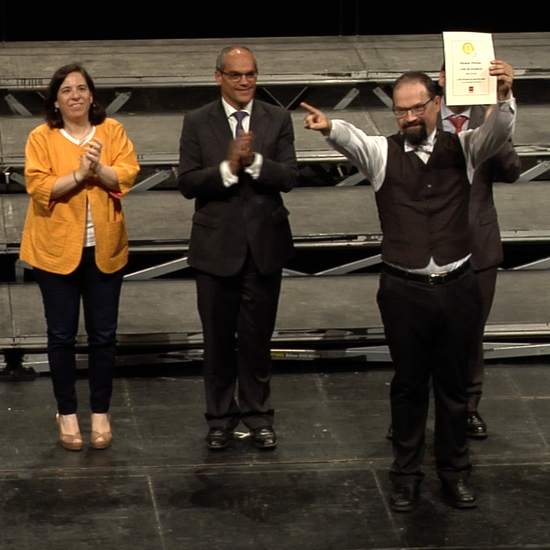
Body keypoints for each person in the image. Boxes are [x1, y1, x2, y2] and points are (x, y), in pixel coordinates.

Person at [302, 60, 515, 511]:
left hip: (457, 285)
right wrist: (328, 127)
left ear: (436, 104)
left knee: (455, 390)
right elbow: (352, 139)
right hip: (404, 290)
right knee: (409, 386)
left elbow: (500, 132)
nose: (410, 118)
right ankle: (405, 474)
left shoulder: (467, 147)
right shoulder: (383, 152)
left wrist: (503, 96)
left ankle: (455, 473)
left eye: (418, 108)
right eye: (402, 112)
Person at [177, 46, 298, 450]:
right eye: (236, 75)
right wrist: (229, 168)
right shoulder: (196, 121)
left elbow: (289, 176)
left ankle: (259, 416)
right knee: (217, 341)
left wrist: (255, 161)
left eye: (250, 74)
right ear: (219, 78)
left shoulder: (277, 117)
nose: (244, 81)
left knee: (257, 339)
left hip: (264, 246)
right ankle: (219, 419)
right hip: (215, 249)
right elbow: (188, 183)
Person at [20, 64, 139, 451]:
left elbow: (126, 174)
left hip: (104, 249)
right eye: (67, 90)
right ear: (56, 100)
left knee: (104, 336)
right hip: (54, 252)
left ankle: (100, 413)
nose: (75, 95)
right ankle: (67, 413)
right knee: (61, 335)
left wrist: (97, 167)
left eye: (82, 88)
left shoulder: (112, 131)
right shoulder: (42, 137)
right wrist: (79, 173)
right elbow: (38, 186)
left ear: (91, 95)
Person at [438, 69, 522, 439]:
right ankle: (414, 410)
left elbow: (512, 171)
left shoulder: (489, 118)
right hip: (431, 245)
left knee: (471, 333)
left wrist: (496, 119)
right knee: (424, 334)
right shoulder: (422, 117)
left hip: (477, 243)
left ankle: (468, 408)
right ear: (441, 78)